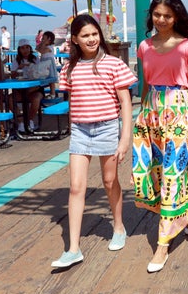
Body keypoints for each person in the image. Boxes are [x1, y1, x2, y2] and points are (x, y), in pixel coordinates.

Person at [51, 14, 136, 268]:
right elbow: (71, 101)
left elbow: (125, 103)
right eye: (85, 35)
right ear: (75, 40)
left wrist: (124, 139)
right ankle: (73, 248)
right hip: (80, 131)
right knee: (76, 187)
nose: (91, 39)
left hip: (108, 128)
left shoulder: (113, 64)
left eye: (94, 34)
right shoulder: (69, 68)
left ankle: (118, 227)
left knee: (110, 182)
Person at [131, 0, 188, 273]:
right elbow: (146, 84)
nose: (161, 20)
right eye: (157, 14)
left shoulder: (187, 47)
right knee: (154, 173)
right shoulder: (144, 46)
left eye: (167, 15)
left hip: (181, 112)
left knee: (175, 174)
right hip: (151, 113)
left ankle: (163, 243)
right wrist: (142, 117)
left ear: (177, 17)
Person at [11, 39, 45, 132]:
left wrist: (32, 68)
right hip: (21, 89)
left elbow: (39, 74)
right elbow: (12, 75)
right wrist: (19, 68)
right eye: (22, 48)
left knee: (36, 99)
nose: (25, 50)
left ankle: (29, 120)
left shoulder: (35, 59)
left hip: (34, 88)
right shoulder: (16, 61)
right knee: (9, 99)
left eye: (27, 47)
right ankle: (21, 121)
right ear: (19, 50)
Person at [36, 30, 58, 98]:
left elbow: (42, 51)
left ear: (49, 39)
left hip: (49, 63)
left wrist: (43, 44)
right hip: (43, 62)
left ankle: (53, 94)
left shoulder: (50, 47)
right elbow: (37, 48)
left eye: (44, 38)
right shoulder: (44, 45)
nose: (42, 40)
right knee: (42, 77)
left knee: (51, 79)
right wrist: (42, 43)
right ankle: (42, 93)